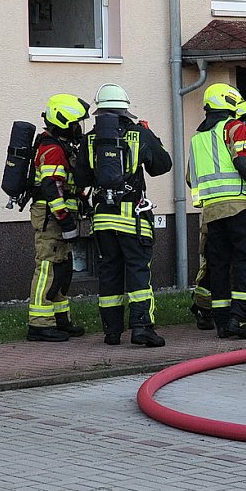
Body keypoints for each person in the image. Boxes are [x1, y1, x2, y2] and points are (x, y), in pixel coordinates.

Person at [74, 84, 172, 347]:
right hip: (133, 220)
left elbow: (81, 178)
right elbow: (162, 166)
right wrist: (151, 136)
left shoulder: (90, 139)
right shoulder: (138, 134)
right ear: (124, 109)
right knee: (138, 273)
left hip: (103, 220)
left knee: (109, 274)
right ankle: (141, 328)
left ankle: (112, 332)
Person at [188, 84, 246, 339]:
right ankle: (241, 317)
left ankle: (223, 323)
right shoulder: (233, 127)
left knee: (219, 265)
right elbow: (244, 163)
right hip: (238, 206)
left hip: (212, 212)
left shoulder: (196, 138)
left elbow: (190, 179)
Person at [26, 94, 90, 342]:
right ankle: (39, 324)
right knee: (48, 268)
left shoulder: (61, 147)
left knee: (61, 269)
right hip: (51, 218)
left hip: (59, 216)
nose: (78, 129)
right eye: (75, 124)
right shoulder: (52, 150)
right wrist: (65, 221)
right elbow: (53, 189)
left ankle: (60, 319)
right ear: (63, 122)